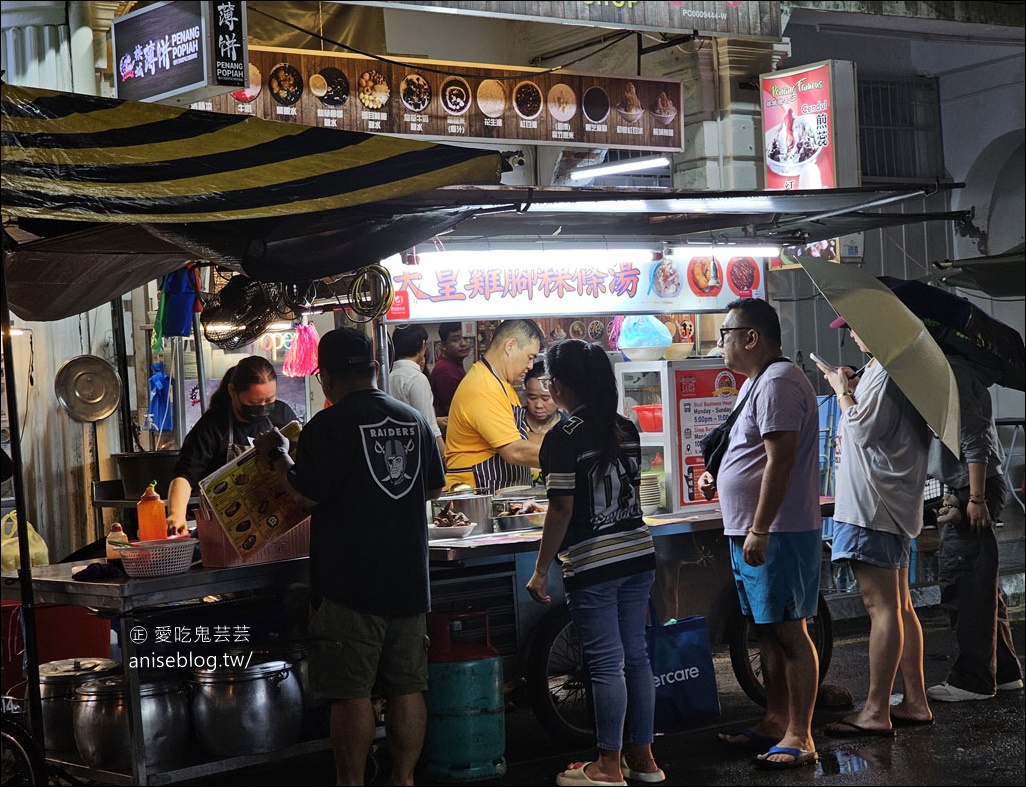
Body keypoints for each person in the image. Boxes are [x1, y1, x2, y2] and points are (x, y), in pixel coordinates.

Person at [254, 327, 445, 786]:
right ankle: (403, 779)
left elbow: (306, 499)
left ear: (326, 377)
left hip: (350, 585)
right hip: (409, 580)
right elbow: (434, 488)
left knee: (351, 692)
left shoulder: (329, 424)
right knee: (407, 687)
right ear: (374, 369)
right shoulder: (413, 420)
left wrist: (279, 456)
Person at [526, 339, 663, 787]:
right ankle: (643, 760)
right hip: (637, 553)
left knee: (605, 663)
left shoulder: (562, 438)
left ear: (560, 387)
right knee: (635, 658)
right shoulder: (626, 427)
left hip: (595, 563)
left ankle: (607, 766)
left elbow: (561, 510)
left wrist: (541, 566)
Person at [699, 298, 821, 771]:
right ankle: (775, 719)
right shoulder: (757, 383)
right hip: (754, 529)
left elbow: (781, 461)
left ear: (751, 337)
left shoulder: (779, 382)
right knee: (767, 631)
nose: (720, 343)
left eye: (725, 333)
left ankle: (801, 735)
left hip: (778, 532)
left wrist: (760, 528)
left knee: (790, 631)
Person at [816, 319, 934, 736]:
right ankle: (915, 701)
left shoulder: (888, 372)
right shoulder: (894, 368)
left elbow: (863, 430)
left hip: (874, 505)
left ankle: (876, 711)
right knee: (900, 606)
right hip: (890, 504)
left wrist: (842, 392)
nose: (851, 334)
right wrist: (852, 383)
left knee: (881, 608)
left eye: (854, 326)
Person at [925, 355, 1024, 702]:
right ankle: (1005, 672)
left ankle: (974, 679)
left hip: (971, 489)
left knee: (964, 582)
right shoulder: (947, 370)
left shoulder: (950, 373)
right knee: (980, 584)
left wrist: (977, 497)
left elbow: (976, 436)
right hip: (965, 488)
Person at [166, 356, 297, 534]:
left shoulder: (283, 415)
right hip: (227, 526)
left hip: (279, 519)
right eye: (254, 403)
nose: (263, 407)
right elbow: (185, 475)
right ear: (232, 391)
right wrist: (176, 514)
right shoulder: (212, 426)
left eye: (269, 400)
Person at [444, 319, 545, 492]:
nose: (530, 366)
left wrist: (567, 443)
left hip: (498, 492)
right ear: (510, 345)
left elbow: (524, 437)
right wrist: (569, 457)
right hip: (475, 496)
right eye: (530, 357)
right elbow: (514, 451)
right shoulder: (482, 386)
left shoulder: (501, 383)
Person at [390, 324, 446, 457]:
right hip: (417, 451)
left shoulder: (389, 377)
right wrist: (445, 459)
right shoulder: (416, 378)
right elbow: (430, 428)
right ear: (423, 345)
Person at [429, 322, 470, 428]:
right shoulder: (445, 370)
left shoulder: (455, 365)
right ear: (443, 345)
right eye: (455, 340)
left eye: (465, 338)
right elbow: (455, 409)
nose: (463, 343)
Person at [522, 360, 565, 436]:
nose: (539, 405)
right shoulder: (512, 421)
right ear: (525, 394)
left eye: (546, 398)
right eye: (532, 398)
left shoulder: (568, 428)